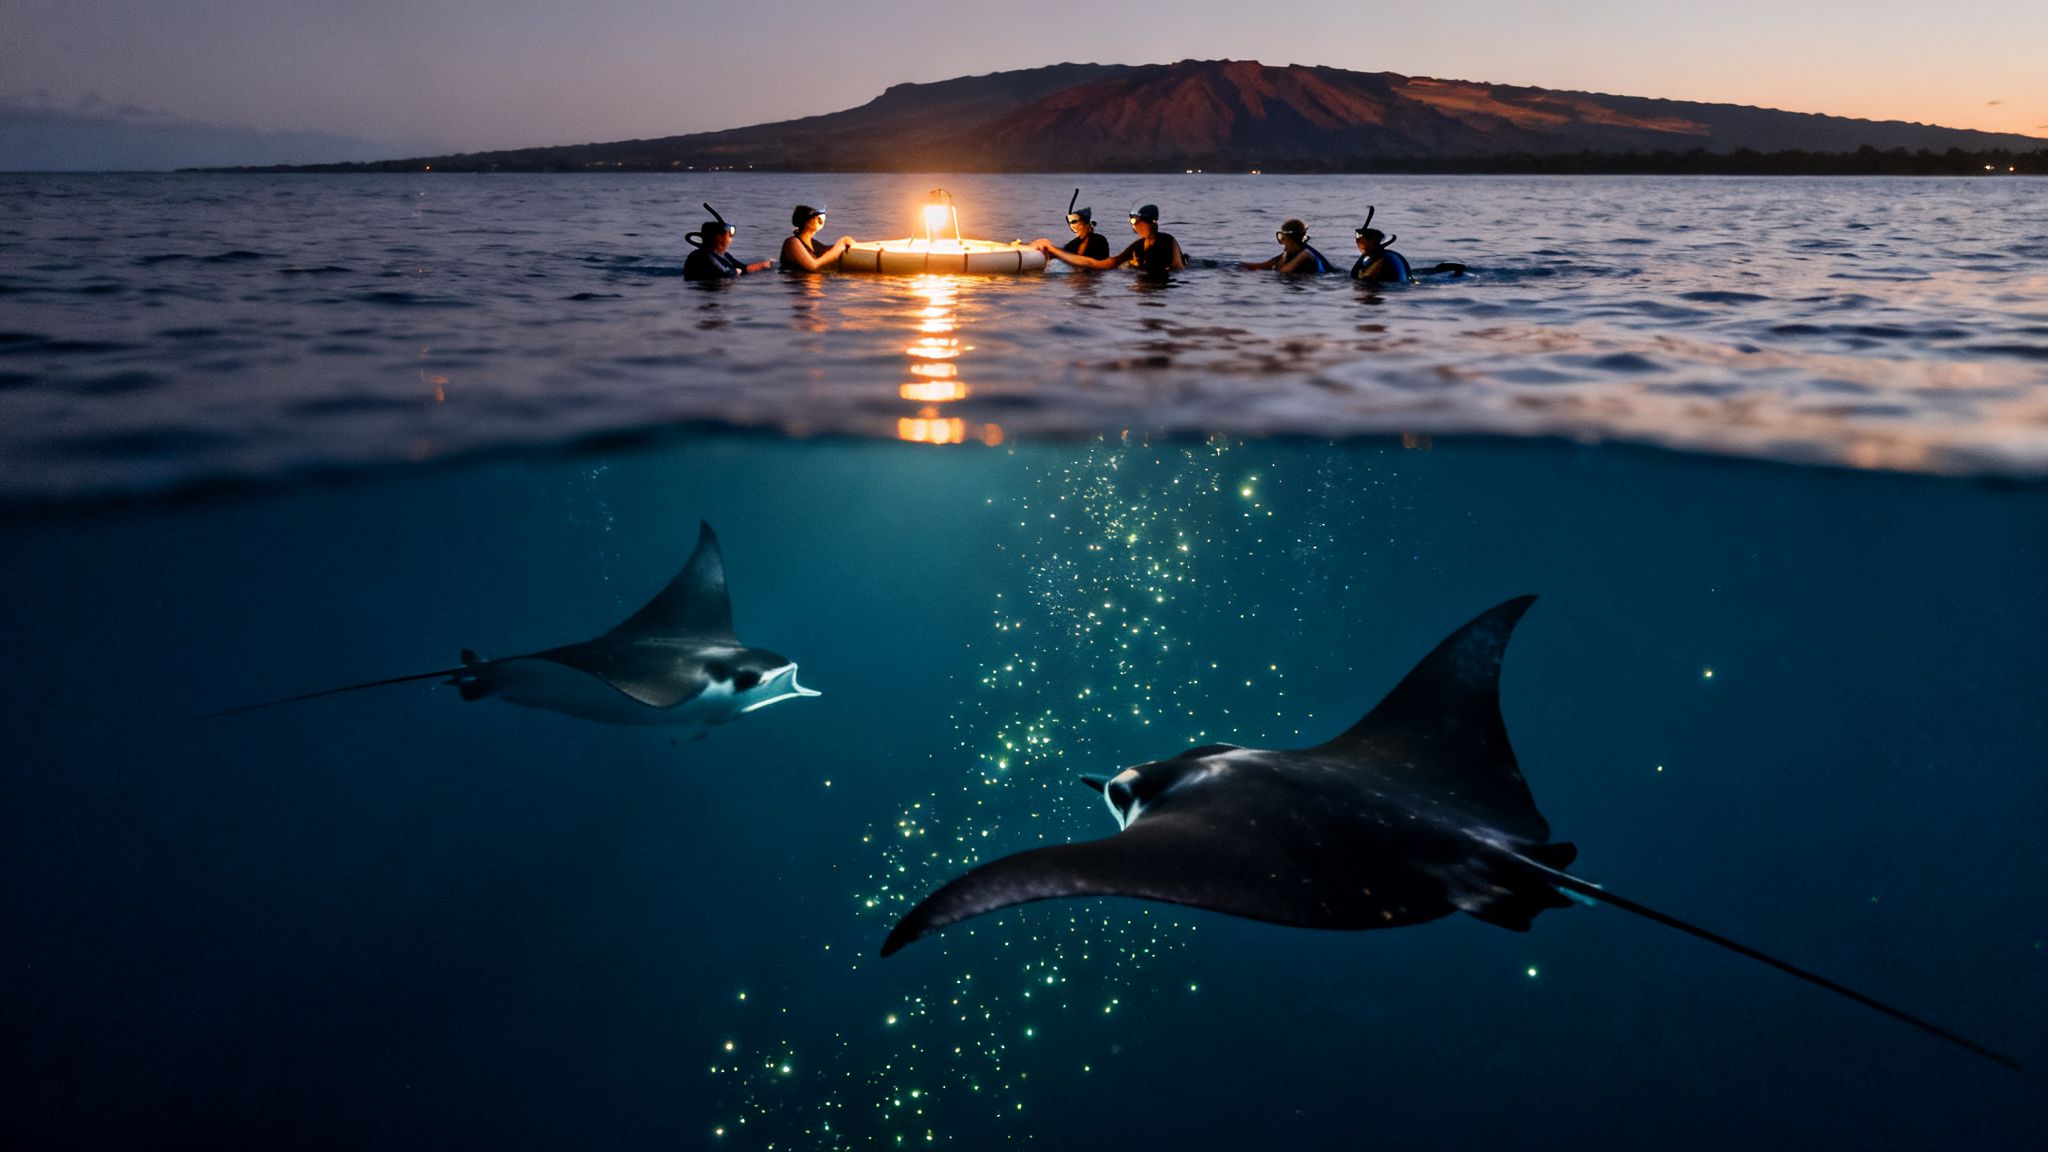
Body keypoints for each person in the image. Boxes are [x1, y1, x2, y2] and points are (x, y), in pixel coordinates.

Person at [1035, 204, 1184, 273]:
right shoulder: (1138, 246)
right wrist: (1051, 250)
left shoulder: (1166, 240)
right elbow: (1101, 263)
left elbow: (1172, 267)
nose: (1136, 226)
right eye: (1134, 223)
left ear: (1151, 223)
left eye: (1139, 222)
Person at [683, 217, 772, 282]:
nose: (730, 240)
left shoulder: (723, 255)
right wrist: (736, 272)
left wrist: (762, 265)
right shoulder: (705, 256)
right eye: (729, 236)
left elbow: (743, 268)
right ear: (719, 238)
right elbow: (726, 274)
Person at [779, 204, 856, 272]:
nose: (820, 220)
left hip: (813, 281)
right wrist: (839, 247)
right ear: (806, 222)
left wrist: (845, 243)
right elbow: (813, 266)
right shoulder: (792, 243)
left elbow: (828, 251)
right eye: (816, 218)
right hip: (800, 282)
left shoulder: (814, 243)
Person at [1240, 218, 1332, 274]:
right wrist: (1239, 266)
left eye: (1282, 237)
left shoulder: (1306, 254)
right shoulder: (1287, 254)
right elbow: (1263, 265)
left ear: (1288, 239)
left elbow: (1284, 271)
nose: (1282, 241)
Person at [1350, 216, 1413, 284]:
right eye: (1358, 243)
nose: (1359, 246)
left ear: (1373, 240)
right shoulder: (1368, 257)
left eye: (1362, 242)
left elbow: (1365, 278)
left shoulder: (1382, 258)